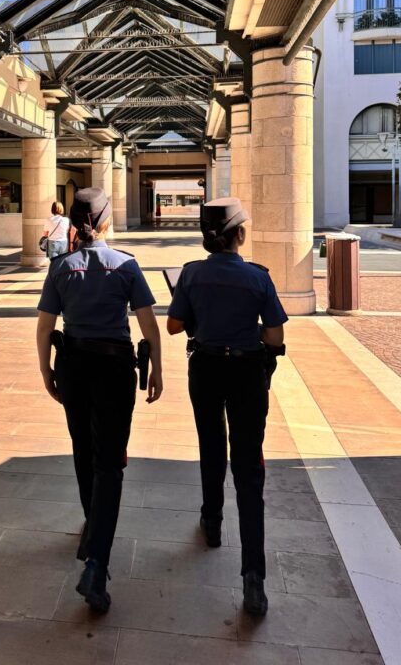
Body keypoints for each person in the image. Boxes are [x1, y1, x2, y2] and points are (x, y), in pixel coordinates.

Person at [36, 187, 163, 613]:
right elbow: (148, 326)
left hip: (73, 365)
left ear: (73, 224)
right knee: (110, 462)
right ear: (105, 222)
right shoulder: (126, 265)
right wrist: (157, 370)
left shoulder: (60, 267)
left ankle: (93, 524)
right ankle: (96, 563)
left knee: (82, 450)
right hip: (113, 370)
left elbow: (44, 327)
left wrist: (46, 371)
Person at [166, 198, 287, 618]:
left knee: (211, 445)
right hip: (248, 374)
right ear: (240, 234)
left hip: (205, 368)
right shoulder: (257, 278)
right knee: (249, 466)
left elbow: (173, 325)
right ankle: (253, 578)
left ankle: (212, 521)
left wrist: (202, 318)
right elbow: (274, 335)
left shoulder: (191, 274)